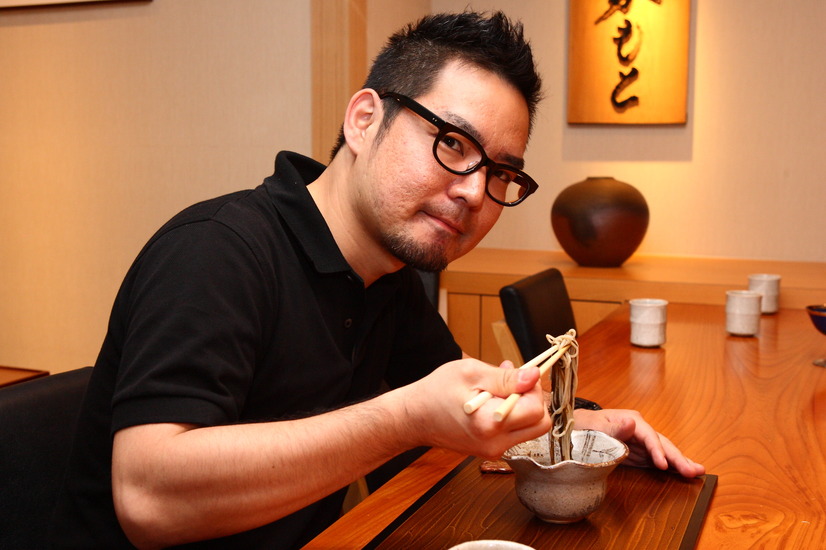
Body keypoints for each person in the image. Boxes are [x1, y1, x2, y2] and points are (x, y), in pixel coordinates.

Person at [49, 10, 704, 549]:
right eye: (452, 143)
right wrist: (405, 418)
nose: (476, 193)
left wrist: (587, 425)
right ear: (363, 120)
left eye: (502, 173)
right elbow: (148, 498)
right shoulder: (218, 252)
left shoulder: (388, 278)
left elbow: (472, 412)